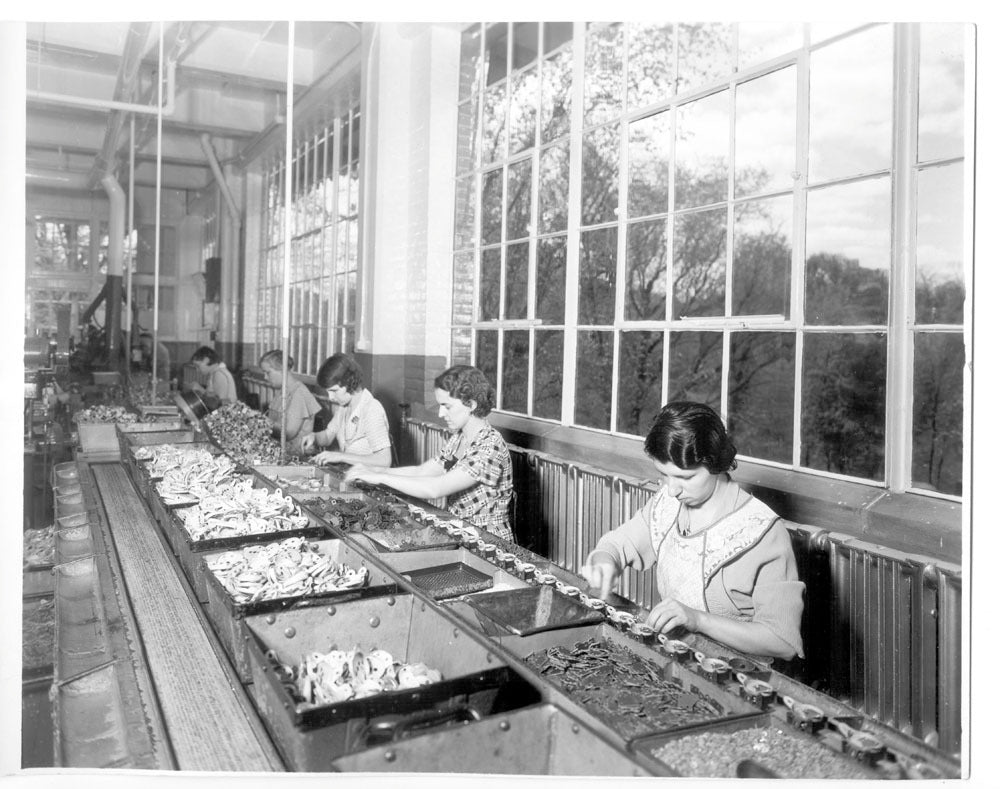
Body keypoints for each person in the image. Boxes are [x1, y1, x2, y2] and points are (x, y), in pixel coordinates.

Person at [579, 401, 804, 661]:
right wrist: (604, 562)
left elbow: (782, 641)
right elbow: (617, 545)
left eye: (685, 478)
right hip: (676, 657)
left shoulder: (763, 532)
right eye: (664, 475)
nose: (672, 489)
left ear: (716, 463)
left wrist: (697, 620)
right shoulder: (668, 504)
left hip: (735, 674)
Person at [346, 365, 514, 542]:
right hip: (462, 530)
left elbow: (435, 488)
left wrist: (380, 478)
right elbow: (422, 471)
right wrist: (374, 470)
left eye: (446, 406)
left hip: (488, 540)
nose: (441, 414)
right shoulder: (459, 437)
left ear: (471, 405)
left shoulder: (489, 446)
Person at [301, 353, 392, 467]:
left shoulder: (371, 409)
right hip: (350, 473)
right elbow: (328, 436)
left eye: (334, 391)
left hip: (369, 476)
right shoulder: (343, 407)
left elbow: (384, 460)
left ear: (349, 383)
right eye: (328, 392)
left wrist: (341, 456)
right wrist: (314, 437)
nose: (330, 397)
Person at [259, 350, 320, 454]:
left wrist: (261, 422)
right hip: (278, 451)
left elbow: (288, 433)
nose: (265, 377)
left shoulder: (299, 394)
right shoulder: (282, 391)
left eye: (268, 372)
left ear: (282, 370)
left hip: (294, 455)